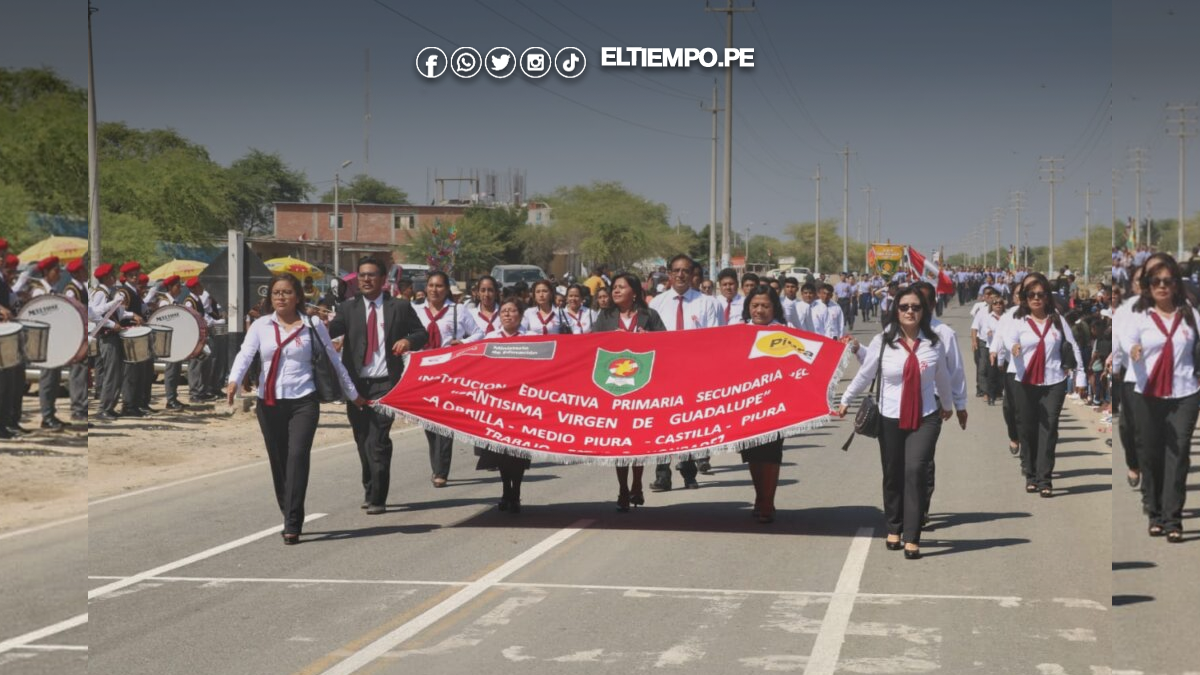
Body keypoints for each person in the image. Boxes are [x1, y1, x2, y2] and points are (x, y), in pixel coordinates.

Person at [226, 274, 365, 544]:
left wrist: (353, 394)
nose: (281, 297)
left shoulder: (312, 325)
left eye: (287, 292)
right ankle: (289, 508)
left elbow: (334, 361)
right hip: (269, 402)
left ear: (297, 296)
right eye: (277, 293)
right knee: (278, 462)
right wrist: (233, 380)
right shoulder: (260, 325)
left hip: (304, 400)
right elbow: (245, 354)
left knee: (298, 456)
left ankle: (292, 521)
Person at [837, 287, 954, 559]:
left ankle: (912, 536)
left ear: (924, 311)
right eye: (904, 307)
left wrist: (950, 405)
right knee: (893, 473)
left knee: (915, 470)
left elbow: (942, 377)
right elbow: (866, 374)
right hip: (890, 416)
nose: (910, 311)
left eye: (915, 307)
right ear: (896, 311)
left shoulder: (933, 342)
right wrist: (846, 399)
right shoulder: (882, 341)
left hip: (925, 416)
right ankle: (894, 526)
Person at [327, 257, 428, 514]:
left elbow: (421, 334)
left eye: (372, 275)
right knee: (362, 439)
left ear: (383, 280)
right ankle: (370, 486)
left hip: (387, 383)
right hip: (357, 385)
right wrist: (316, 324)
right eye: (362, 275)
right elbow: (330, 331)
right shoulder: (348, 309)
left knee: (378, 439)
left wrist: (407, 341)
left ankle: (379, 497)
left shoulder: (400, 307)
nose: (366, 279)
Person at [1122, 253, 1200, 542]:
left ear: (1176, 285)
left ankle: (1173, 519)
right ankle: (1154, 512)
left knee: (1178, 455)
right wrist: (1133, 350)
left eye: (1168, 281)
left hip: (1185, 393)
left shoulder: (1190, 313)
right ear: (1148, 285)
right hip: (1148, 393)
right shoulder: (1139, 314)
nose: (1162, 286)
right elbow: (1128, 339)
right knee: (1151, 453)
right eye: (1156, 281)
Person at [1001, 272, 1085, 498]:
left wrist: (1081, 376)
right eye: (1031, 295)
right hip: (1025, 381)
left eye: (1041, 294)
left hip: (1053, 381)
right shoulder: (1018, 318)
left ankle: (1045, 479)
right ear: (1025, 298)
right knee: (1027, 429)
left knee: (1049, 430)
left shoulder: (1056, 317)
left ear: (1047, 297)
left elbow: (1072, 345)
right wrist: (1014, 347)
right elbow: (1007, 339)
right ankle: (1030, 474)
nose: (1036, 298)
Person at [594, 272, 667, 510]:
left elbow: (668, 345)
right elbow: (590, 347)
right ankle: (623, 489)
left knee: (637, 442)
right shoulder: (605, 317)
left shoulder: (649, 315)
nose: (615, 291)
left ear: (633, 292)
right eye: (614, 287)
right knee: (619, 445)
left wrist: (650, 339)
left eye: (621, 287)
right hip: (614, 388)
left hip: (642, 390)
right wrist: (607, 341)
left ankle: (637, 483)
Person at [649, 255, 721, 489]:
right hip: (663, 373)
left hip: (694, 374)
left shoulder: (708, 303)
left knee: (688, 424)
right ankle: (662, 473)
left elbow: (714, 340)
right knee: (662, 425)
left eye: (685, 271)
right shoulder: (656, 303)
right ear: (669, 274)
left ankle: (689, 471)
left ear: (693, 275)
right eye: (676, 270)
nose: (680, 275)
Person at [415, 271, 484, 487]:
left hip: (448, 372)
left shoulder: (458, 310)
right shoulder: (416, 310)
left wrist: (462, 344)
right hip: (423, 372)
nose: (434, 290)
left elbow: (478, 334)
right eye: (431, 285)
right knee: (428, 422)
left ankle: (441, 471)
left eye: (439, 286)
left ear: (447, 289)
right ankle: (436, 464)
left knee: (444, 421)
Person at [476, 298, 533, 512]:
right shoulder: (490, 338)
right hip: (498, 403)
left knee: (517, 453)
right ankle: (505, 490)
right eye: (504, 311)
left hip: (521, 403)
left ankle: (516, 492)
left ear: (520, 315)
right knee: (500, 452)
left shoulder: (532, 339)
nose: (508, 314)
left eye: (513, 311)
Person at [740, 285, 788, 523]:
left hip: (774, 404)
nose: (759, 310)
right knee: (752, 455)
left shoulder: (784, 333)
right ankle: (760, 496)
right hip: (745, 405)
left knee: (770, 454)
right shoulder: (737, 332)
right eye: (755, 305)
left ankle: (768, 501)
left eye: (765, 306)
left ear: (774, 308)